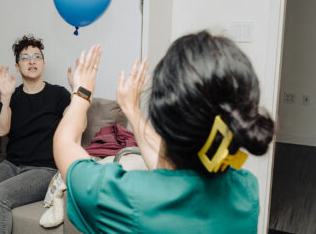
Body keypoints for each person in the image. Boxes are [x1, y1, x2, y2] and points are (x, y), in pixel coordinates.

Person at [54, 31, 274, 233]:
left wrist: (81, 92)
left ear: (164, 121)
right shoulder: (246, 190)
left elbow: (65, 144)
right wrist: (131, 109)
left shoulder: (126, 198)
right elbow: (168, 168)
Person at [0, 35, 72, 234]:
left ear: (43, 62)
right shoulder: (10, 95)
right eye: (25, 57)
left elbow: (76, 123)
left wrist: (78, 92)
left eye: (36, 56)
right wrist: (5, 99)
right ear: (17, 66)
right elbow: (1, 131)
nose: (31, 60)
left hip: (44, 170)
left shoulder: (58, 94)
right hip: (11, 165)